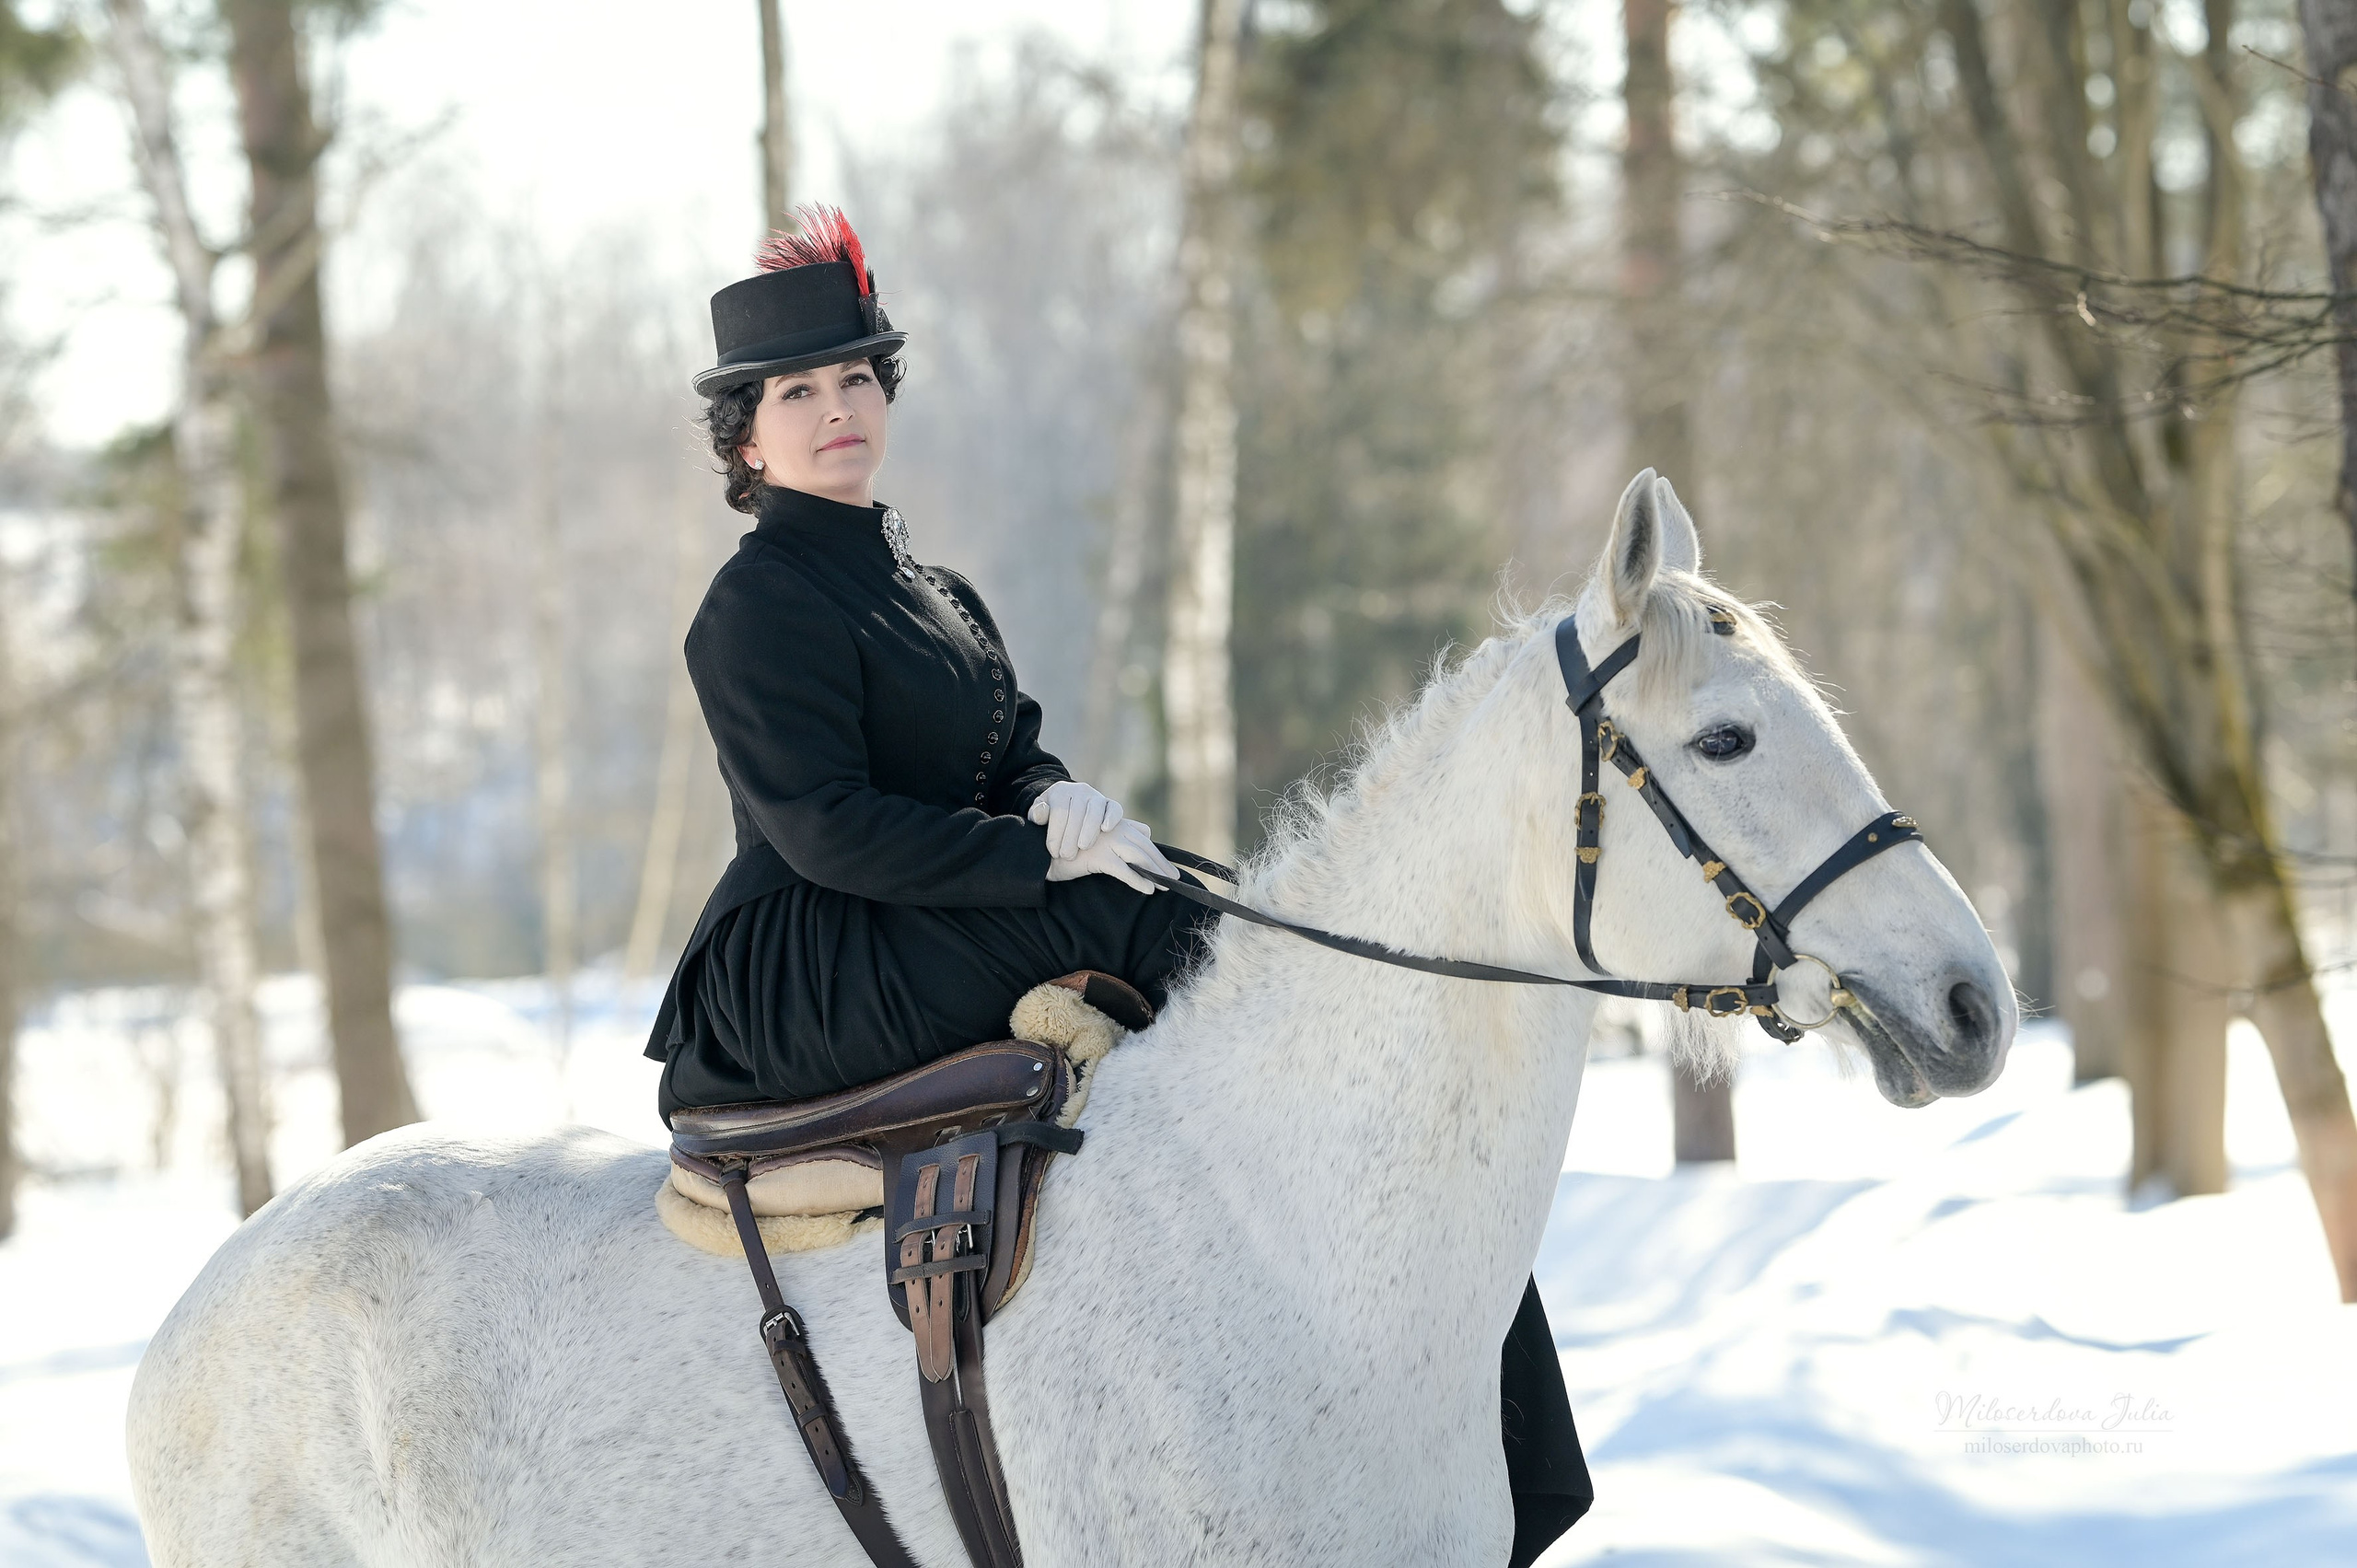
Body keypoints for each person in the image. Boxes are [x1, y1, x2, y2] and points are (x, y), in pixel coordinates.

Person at [644, 205, 1589, 1565]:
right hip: (802, 961)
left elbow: (1010, 750)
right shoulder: (753, 606)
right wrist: (1041, 857)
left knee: (1198, 922)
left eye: (856, 377)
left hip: (938, 904)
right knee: (1162, 937)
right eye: (796, 391)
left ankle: (1491, 1426)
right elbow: (827, 831)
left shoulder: (931, 584)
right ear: (746, 436)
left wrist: (1060, 803)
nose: (836, 407)